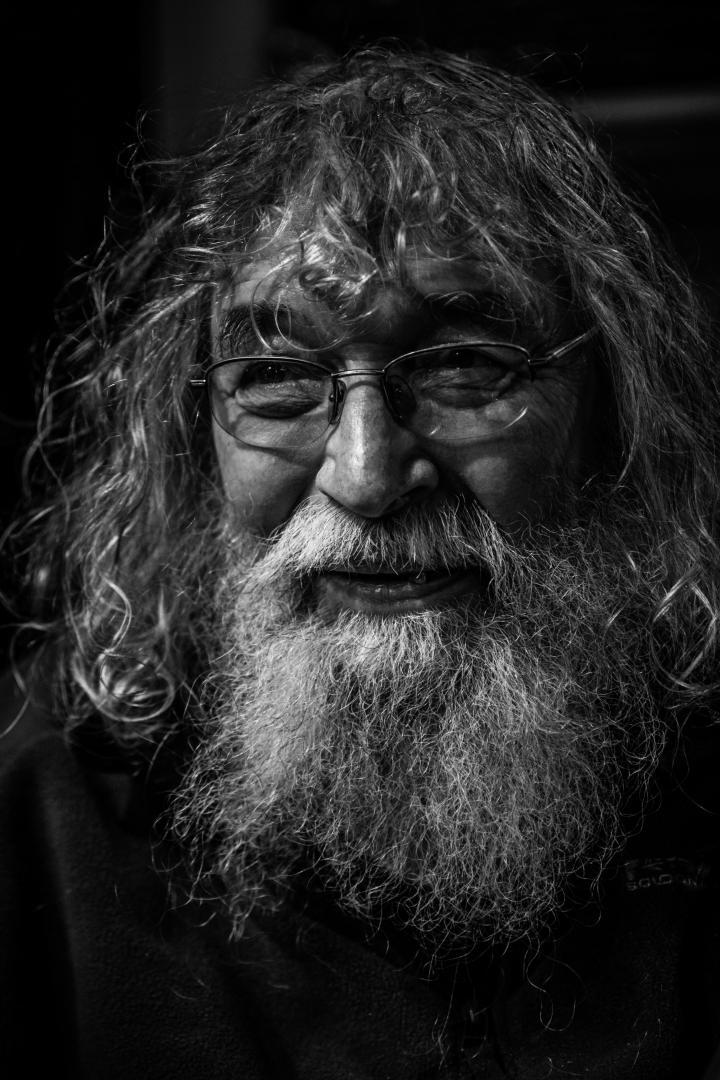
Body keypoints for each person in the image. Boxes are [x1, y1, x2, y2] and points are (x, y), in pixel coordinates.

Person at [1, 45, 718, 1080]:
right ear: (190, 429)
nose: (368, 474)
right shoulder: (44, 811)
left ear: (614, 412)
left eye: (465, 366)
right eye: (278, 378)